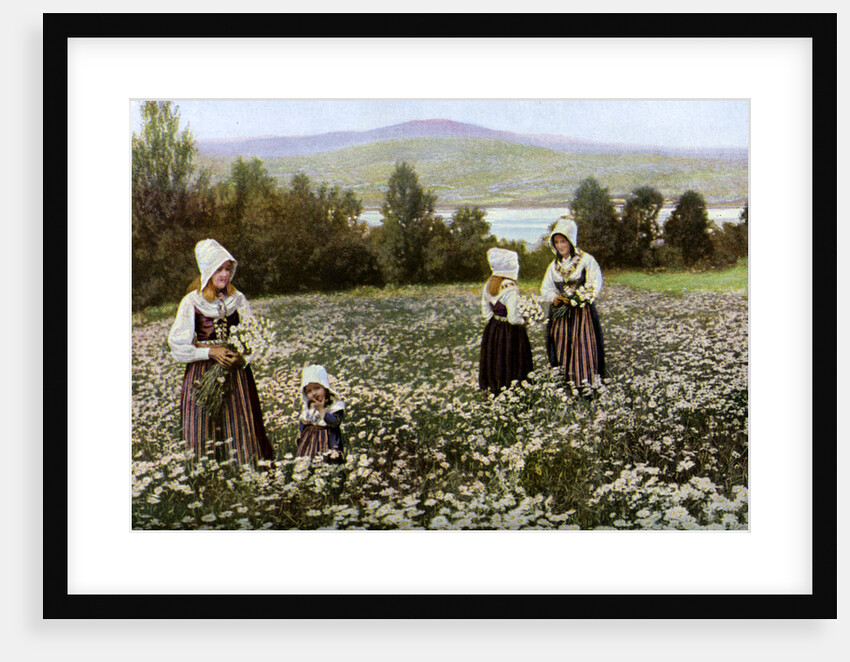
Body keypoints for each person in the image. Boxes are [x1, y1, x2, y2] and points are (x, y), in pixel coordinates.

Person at [167, 239, 274, 463]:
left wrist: (242, 359)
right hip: (203, 373)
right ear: (207, 271)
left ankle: (244, 473)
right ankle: (206, 476)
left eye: (227, 269)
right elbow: (178, 345)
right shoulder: (192, 302)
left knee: (239, 421)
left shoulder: (238, 299)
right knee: (202, 425)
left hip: (235, 373)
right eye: (219, 269)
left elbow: (252, 336)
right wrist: (209, 353)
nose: (224, 275)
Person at [540, 217, 605, 388]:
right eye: (557, 242)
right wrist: (555, 298)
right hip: (560, 314)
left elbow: (594, 283)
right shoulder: (553, 266)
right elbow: (545, 288)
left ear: (571, 241)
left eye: (563, 241)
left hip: (582, 313)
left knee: (582, 346)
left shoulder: (586, 260)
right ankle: (566, 383)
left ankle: (585, 384)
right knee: (562, 345)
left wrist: (581, 297)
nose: (560, 246)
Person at [478, 247, 534, 394]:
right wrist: (526, 320)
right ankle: (513, 391)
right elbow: (513, 318)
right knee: (510, 360)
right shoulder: (511, 288)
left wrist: (495, 327)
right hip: (510, 332)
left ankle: (495, 389)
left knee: (496, 359)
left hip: (494, 329)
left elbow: (486, 313)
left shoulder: (489, 284)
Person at [295, 364, 345, 463]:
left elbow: (334, 422)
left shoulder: (335, 405)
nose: (313, 393)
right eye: (309, 391)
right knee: (307, 461)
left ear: (325, 387)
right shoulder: (309, 407)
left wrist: (322, 410)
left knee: (327, 462)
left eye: (317, 388)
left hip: (327, 439)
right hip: (309, 440)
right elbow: (303, 422)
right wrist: (300, 433)